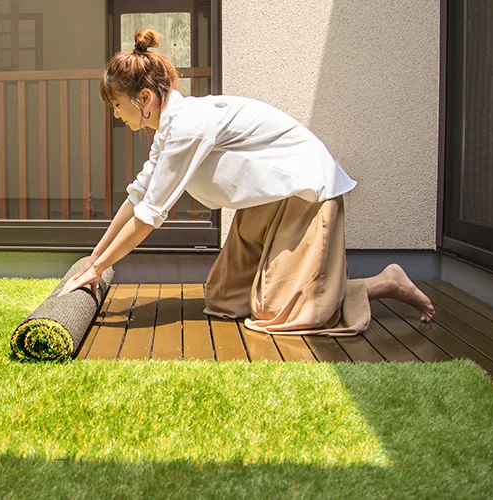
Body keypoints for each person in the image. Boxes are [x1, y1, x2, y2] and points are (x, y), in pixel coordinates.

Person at [59, 27, 434, 334]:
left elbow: (149, 216)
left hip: (303, 190)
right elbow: (137, 197)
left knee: (278, 312)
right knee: (224, 299)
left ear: (143, 98)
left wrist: (95, 269)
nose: (117, 116)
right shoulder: (169, 129)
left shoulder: (189, 126)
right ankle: (297, 287)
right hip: (268, 201)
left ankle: (385, 282)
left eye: (117, 106)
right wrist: (94, 260)